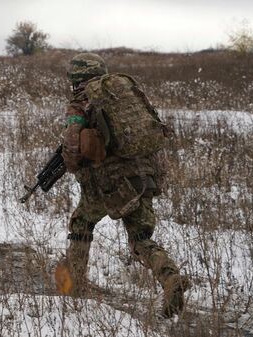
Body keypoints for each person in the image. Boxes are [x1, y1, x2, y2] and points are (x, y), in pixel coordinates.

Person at [58, 52, 191, 318]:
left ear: (77, 79)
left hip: (108, 184)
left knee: (81, 224)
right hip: (143, 175)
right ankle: (170, 277)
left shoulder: (80, 103)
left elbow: (72, 148)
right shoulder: (121, 95)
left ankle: (73, 290)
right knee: (141, 238)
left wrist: (72, 162)